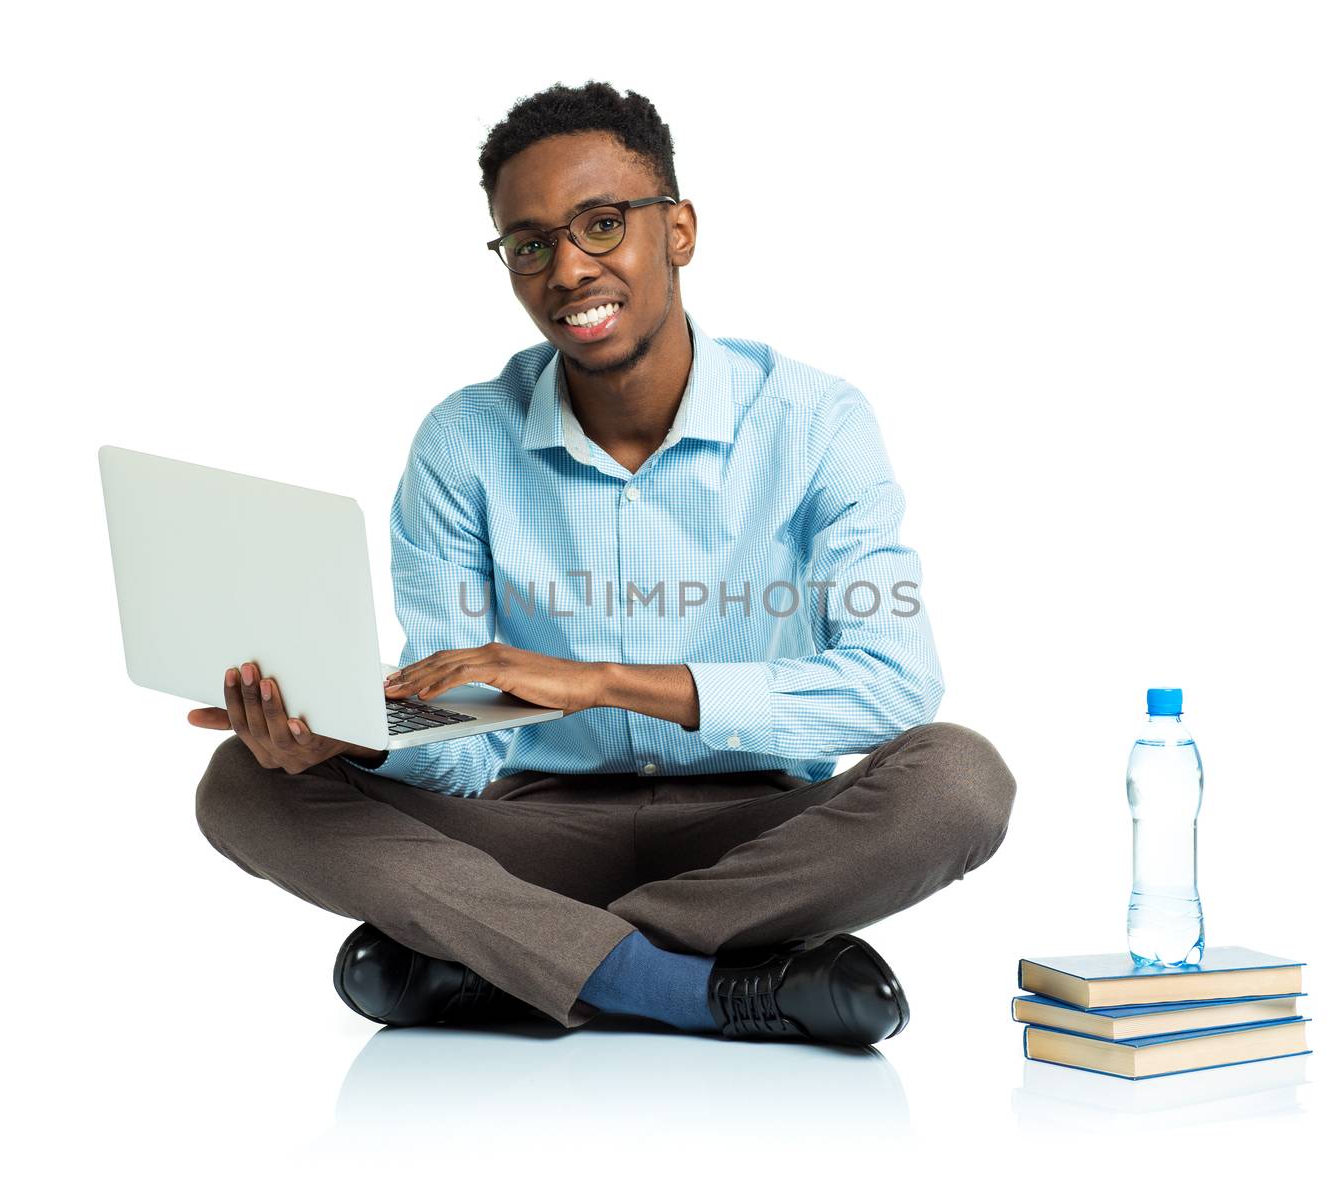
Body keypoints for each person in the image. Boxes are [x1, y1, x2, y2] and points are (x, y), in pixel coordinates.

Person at [191, 80, 1017, 1046]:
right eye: (531, 244)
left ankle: (508, 963)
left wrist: (600, 683)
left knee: (960, 779)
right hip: (528, 837)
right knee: (241, 785)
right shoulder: (463, 442)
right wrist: (361, 741)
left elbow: (893, 687)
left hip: (758, 839)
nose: (568, 269)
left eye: (601, 224)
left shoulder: (817, 423)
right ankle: (687, 985)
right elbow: (461, 741)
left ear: (680, 231)